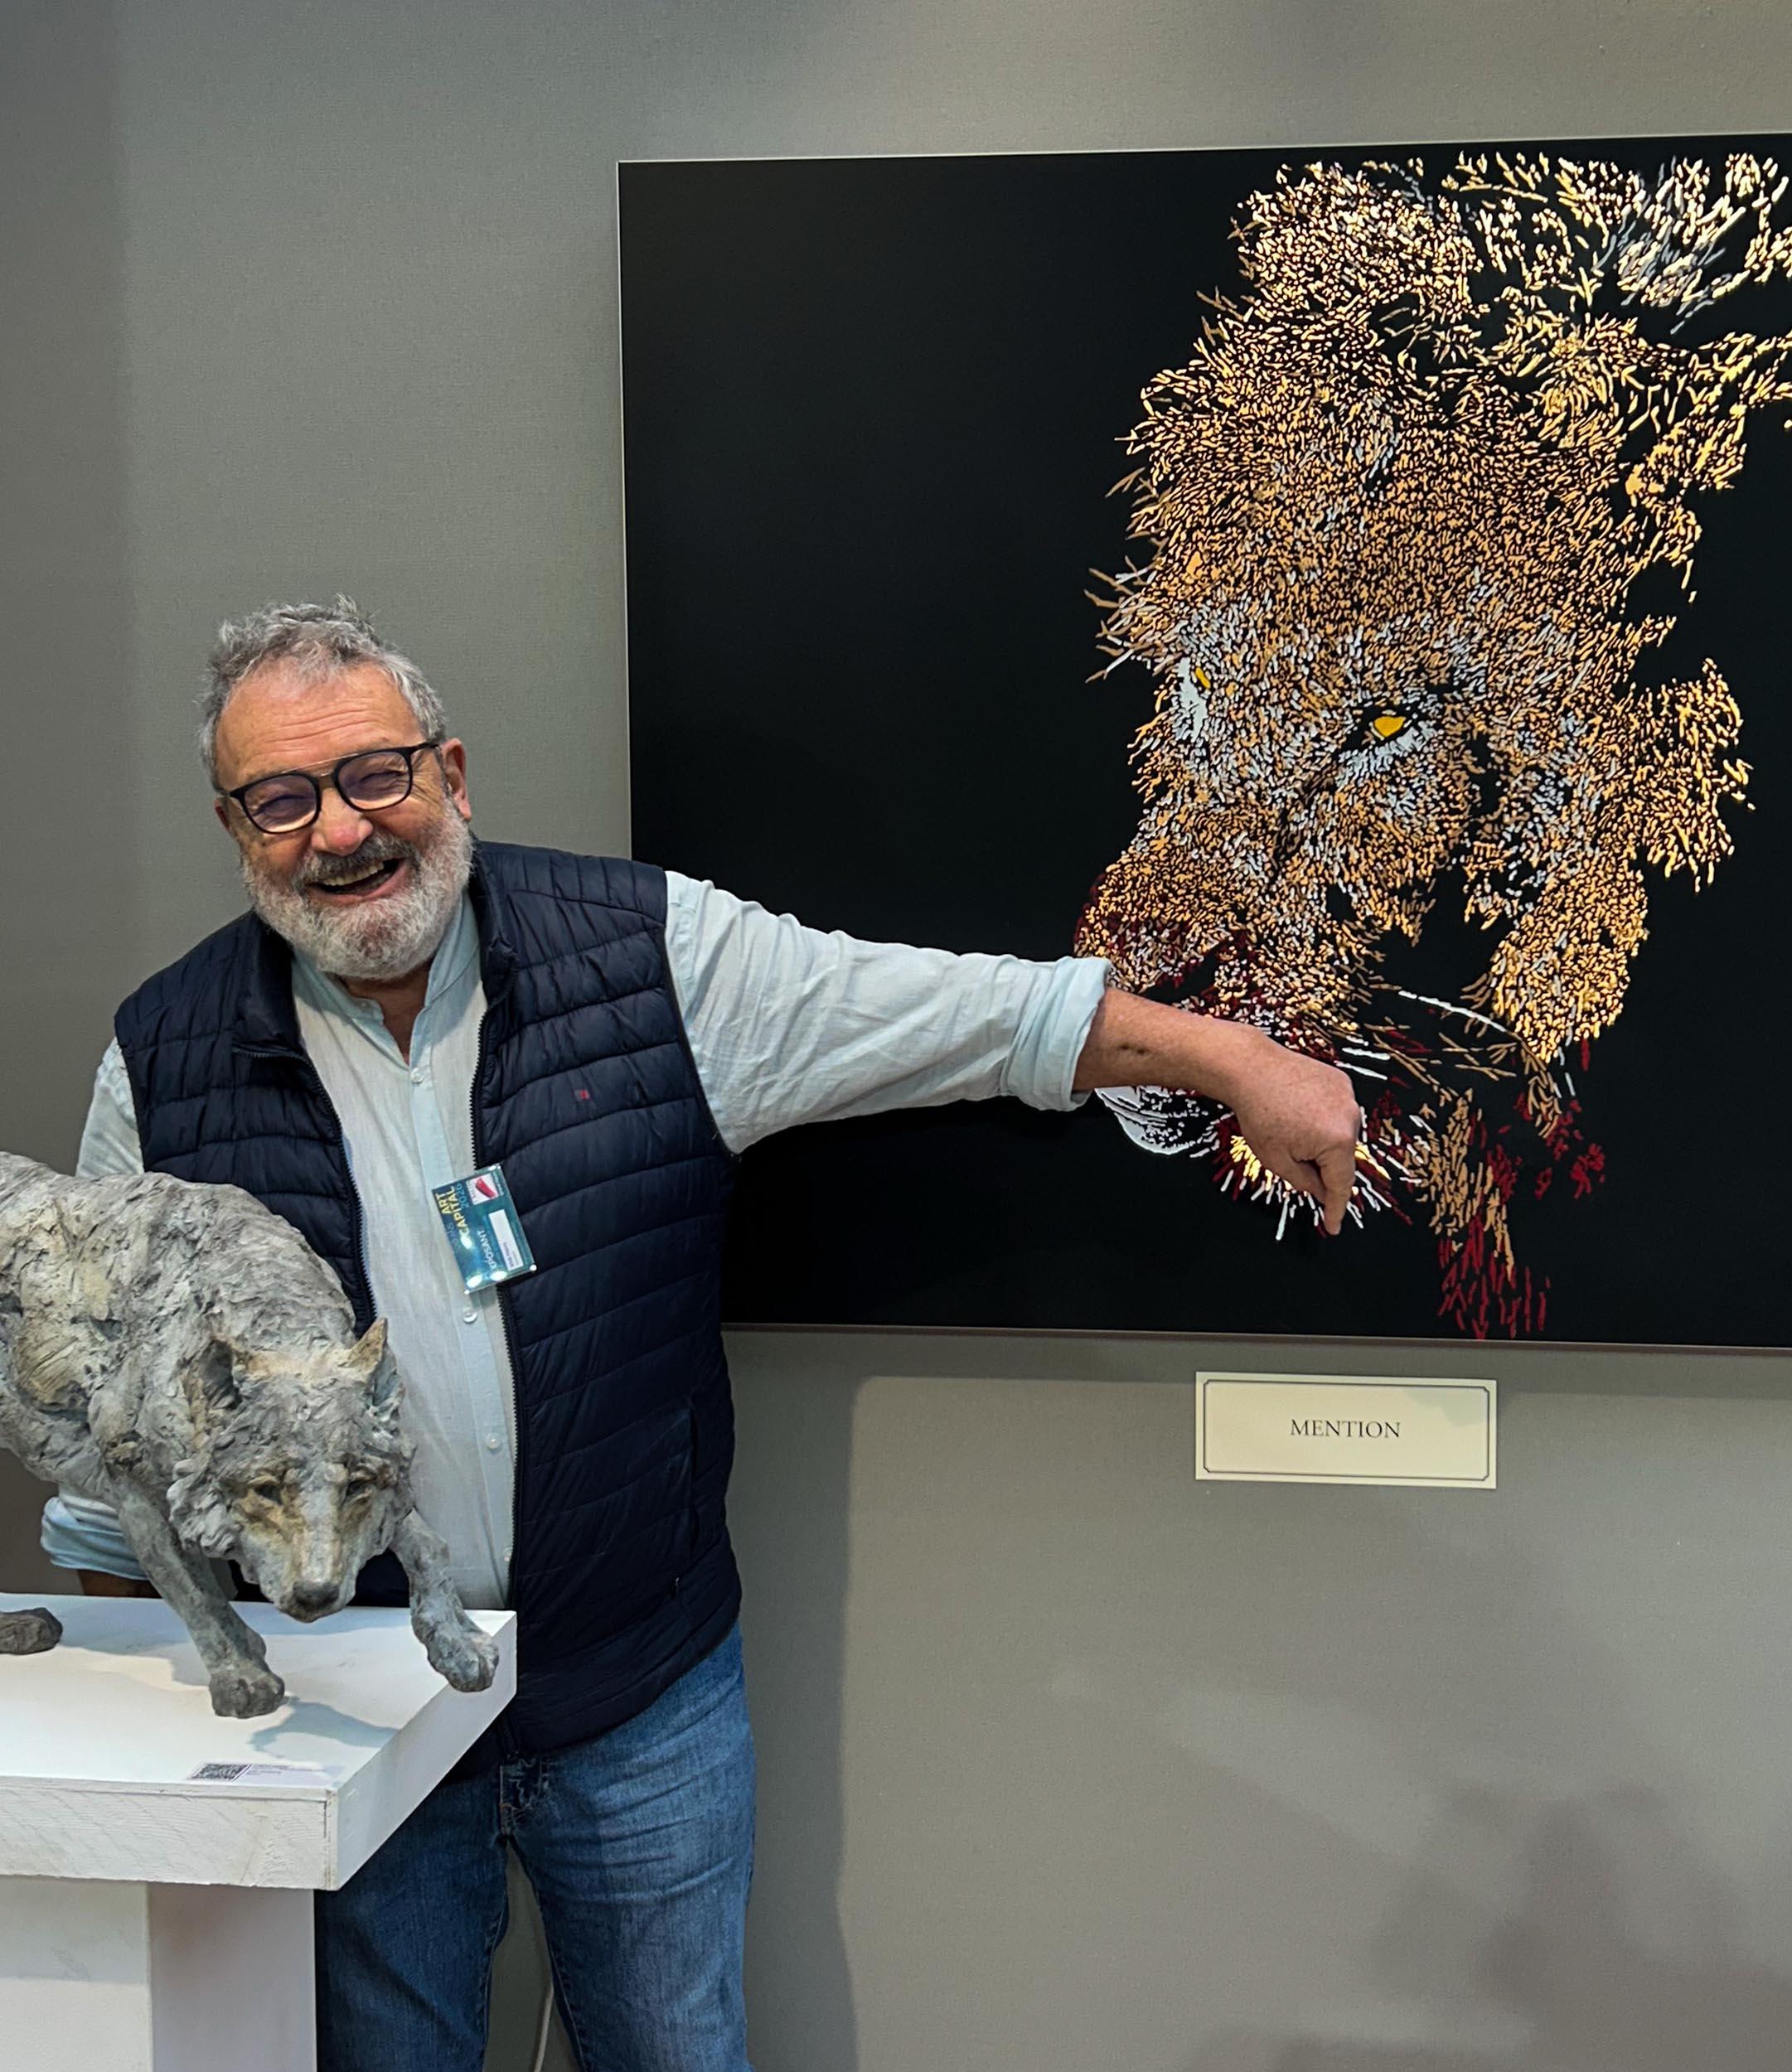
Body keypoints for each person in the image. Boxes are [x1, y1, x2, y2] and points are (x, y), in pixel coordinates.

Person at [46, 597, 1361, 2072]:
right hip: (350, 1709)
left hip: (640, 1698)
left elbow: (966, 1018)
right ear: (239, 832)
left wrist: (1237, 1058)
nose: (341, 832)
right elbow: (120, 1448)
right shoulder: (161, 1063)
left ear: (453, 774)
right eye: (282, 800)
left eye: (374, 775)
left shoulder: (654, 957)